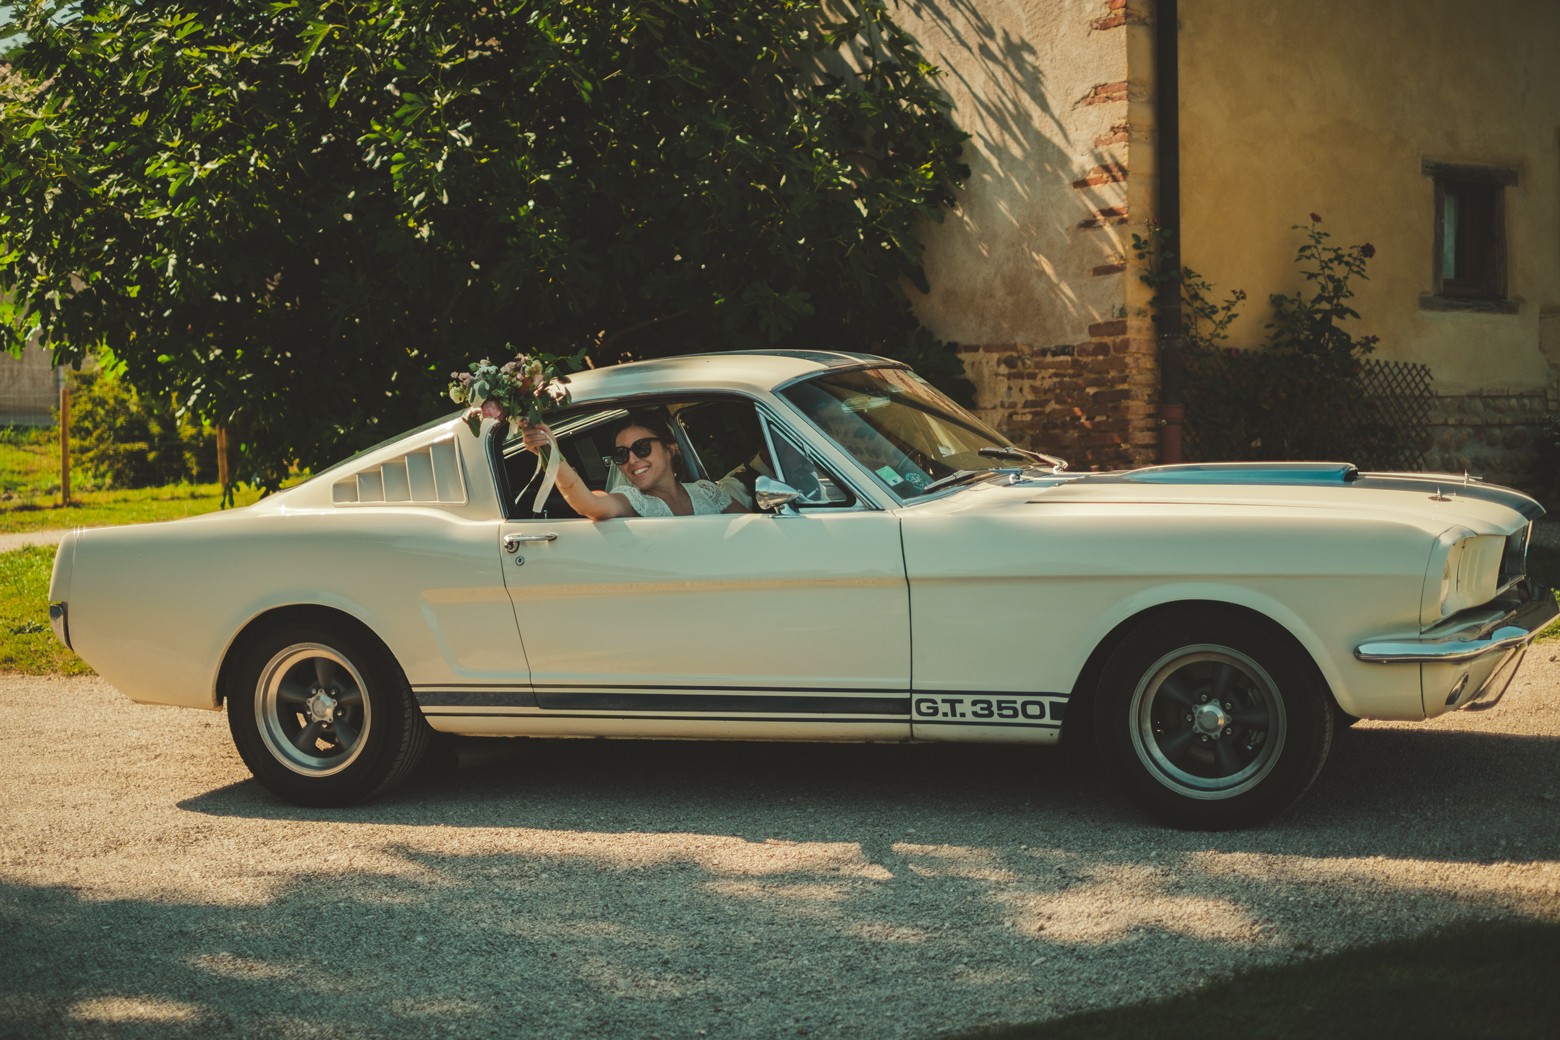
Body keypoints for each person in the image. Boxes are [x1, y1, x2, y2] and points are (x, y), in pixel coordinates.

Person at [518, 412, 748, 519]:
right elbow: (589, 504)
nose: (632, 460)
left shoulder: (706, 491)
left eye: (642, 447)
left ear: (670, 449)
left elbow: (754, 527)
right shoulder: (632, 501)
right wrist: (553, 455)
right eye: (621, 454)